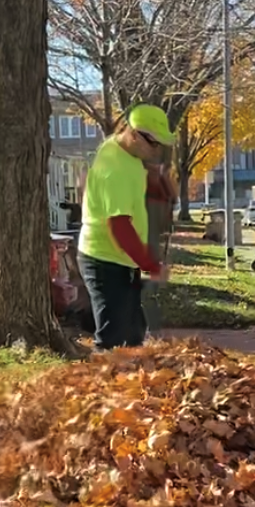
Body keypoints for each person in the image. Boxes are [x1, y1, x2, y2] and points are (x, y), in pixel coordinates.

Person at [78, 104, 173, 349]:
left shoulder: (121, 150)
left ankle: (131, 382)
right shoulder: (114, 170)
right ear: (134, 134)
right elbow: (119, 226)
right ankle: (103, 383)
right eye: (153, 143)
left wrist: (151, 183)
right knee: (113, 337)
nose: (157, 150)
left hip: (121, 260)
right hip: (104, 260)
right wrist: (150, 265)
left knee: (134, 333)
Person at [142, 163, 178, 339]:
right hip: (153, 240)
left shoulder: (149, 186)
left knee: (146, 289)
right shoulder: (161, 185)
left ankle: (150, 332)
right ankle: (152, 331)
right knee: (149, 289)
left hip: (147, 239)